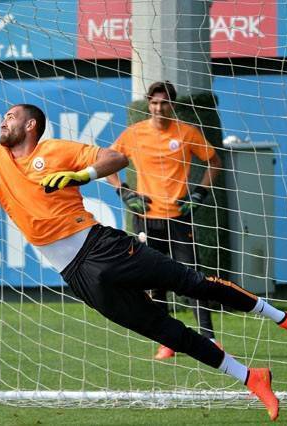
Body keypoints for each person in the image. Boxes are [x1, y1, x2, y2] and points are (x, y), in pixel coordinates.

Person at [0, 49, 287, 422]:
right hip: (76, 274)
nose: (3, 121)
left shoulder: (56, 150)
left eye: (10, 116)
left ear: (31, 125)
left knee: (191, 283)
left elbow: (116, 159)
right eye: (3, 117)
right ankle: (251, 378)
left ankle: (283, 318)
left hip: (101, 246)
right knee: (166, 331)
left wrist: (80, 175)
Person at [107, 81, 222, 360]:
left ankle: (210, 338)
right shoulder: (134, 133)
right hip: (146, 220)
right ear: (149, 104)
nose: (159, 108)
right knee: (153, 281)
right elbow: (108, 163)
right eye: (154, 103)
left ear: (172, 105)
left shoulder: (187, 132)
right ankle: (167, 341)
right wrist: (123, 191)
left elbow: (215, 161)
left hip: (179, 219)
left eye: (164, 102)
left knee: (193, 279)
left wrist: (201, 192)